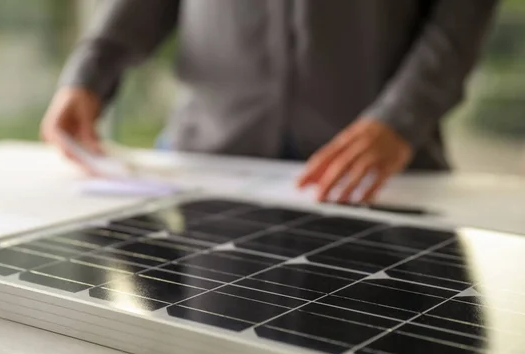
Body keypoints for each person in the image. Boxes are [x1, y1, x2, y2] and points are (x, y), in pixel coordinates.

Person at [41, 0, 498, 202]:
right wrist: (89, 73)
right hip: (205, 169)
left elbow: (460, 14)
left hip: (378, 176)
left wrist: (402, 117)